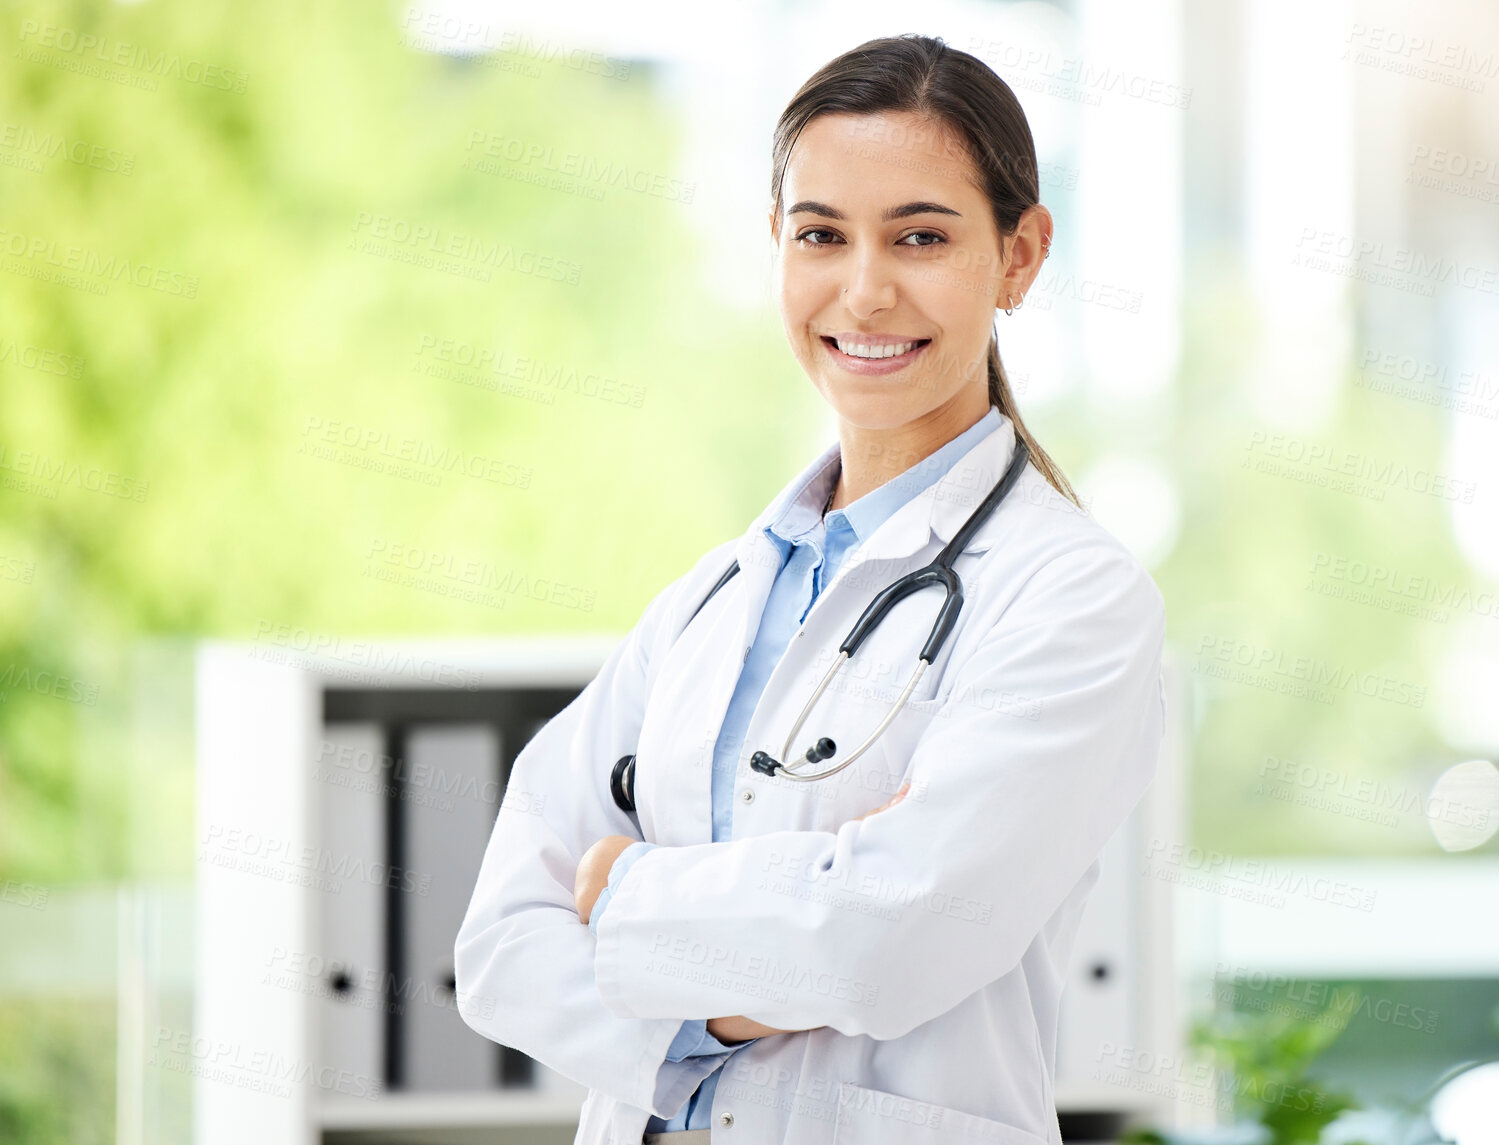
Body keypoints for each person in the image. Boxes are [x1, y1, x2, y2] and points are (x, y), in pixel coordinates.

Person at [455, 33, 1167, 1145]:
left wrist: (622, 885)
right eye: (820, 236)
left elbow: (892, 938)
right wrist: (763, 958)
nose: (866, 289)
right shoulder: (710, 600)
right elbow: (500, 943)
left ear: (1020, 256)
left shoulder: (1071, 596)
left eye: (921, 236)